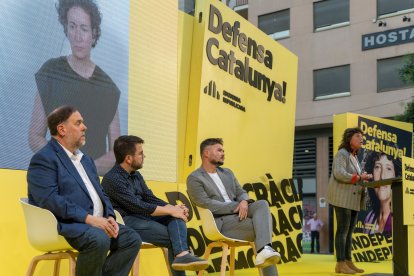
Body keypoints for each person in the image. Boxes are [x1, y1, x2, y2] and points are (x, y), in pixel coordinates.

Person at [27, 106, 140, 276]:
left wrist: (109, 216)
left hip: (96, 223)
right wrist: (90, 219)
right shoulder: (44, 159)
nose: (84, 127)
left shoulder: (86, 160)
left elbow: (101, 194)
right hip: (67, 224)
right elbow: (50, 200)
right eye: (78, 123)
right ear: (62, 129)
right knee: (98, 239)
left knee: (131, 239)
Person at [29, 0, 120, 175]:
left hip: (92, 185)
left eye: (84, 29)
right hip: (56, 179)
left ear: (93, 33)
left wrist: (85, 168)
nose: (78, 36)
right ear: (66, 29)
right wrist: (64, 163)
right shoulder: (51, 72)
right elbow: (34, 136)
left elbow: (115, 152)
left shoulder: (108, 88)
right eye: (72, 26)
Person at [101, 135, 209, 275]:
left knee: (177, 219)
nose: (144, 156)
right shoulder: (112, 179)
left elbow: (149, 198)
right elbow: (137, 206)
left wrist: (173, 208)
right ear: (128, 158)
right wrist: (170, 210)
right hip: (126, 221)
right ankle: (182, 254)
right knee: (174, 238)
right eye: (140, 153)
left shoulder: (136, 175)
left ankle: (182, 254)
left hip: (143, 216)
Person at [187, 138, 281, 276]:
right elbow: (206, 203)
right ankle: (265, 252)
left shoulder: (227, 173)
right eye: (219, 150)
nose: (223, 153)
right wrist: (236, 205)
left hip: (239, 215)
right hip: (221, 222)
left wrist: (244, 201)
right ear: (206, 153)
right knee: (262, 230)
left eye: (223, 150)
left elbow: (241, 192)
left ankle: (264, 251)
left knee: (262, 204)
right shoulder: (194, 178)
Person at [327, 127, 373, 274]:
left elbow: (352, 175)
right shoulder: (342, 154)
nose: (361, 139)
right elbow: (339, 173)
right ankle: (340, 264)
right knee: (342, 231)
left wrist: (362, 176)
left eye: (362, 136)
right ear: (349, 139)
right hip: (341, 198)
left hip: (352, 200)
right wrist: (360, 177)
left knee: (349, 232)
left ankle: (348, 261)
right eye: (358, 136)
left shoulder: (354, 156)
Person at [363, 152, 400, 236]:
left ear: (396, 176)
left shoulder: (400, 219)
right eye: (377, 167)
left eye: (389, 168)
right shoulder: (369, 218)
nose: (382, 176)